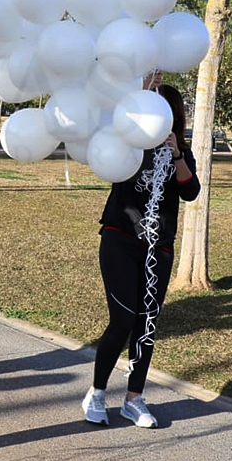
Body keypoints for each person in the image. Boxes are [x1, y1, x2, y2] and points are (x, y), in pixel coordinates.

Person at [82, 83, 201, 430]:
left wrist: (177, 154)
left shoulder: (182, 151)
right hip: (120, 239)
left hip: (158, 247)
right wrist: (139, 89)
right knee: (122, 320)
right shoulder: (127, 143)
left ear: (173, 116)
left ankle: (133, 399)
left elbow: (191, 191)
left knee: (145, 326)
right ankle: (96, 393)